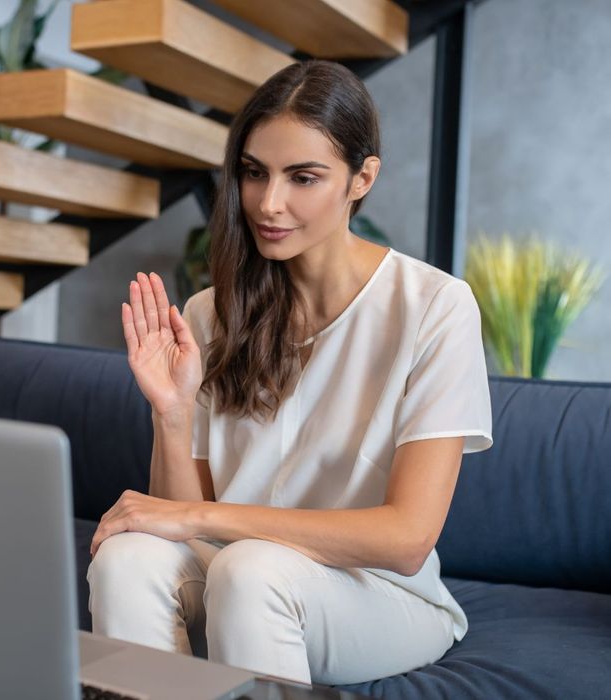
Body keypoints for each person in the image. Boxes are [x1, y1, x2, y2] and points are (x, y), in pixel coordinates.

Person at [87, 59, 493, 687]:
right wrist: (171, 413)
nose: (268, 204)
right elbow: (179, 517)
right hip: (231, 575)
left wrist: (202, 521)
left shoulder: (434, 307)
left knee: (250, 571)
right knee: (126, 559)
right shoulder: (208, 314)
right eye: (254, 174)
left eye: (303, 177)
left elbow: (407, 538)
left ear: (362, 178)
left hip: (376, 597)